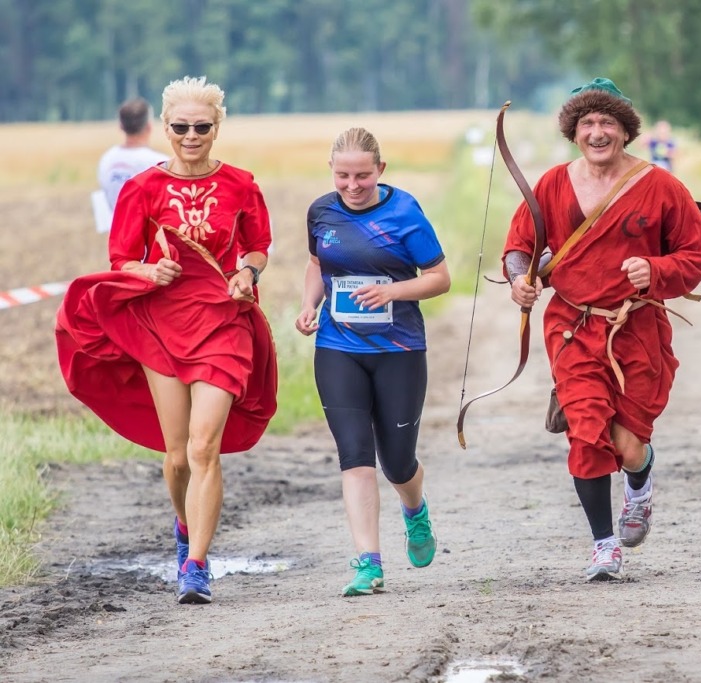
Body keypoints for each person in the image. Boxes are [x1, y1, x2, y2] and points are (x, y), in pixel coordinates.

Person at [56, 76, 277, 604]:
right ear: (167, 128)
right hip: (162, 325)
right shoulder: (142, 188)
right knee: (178, 456)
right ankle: (183, 526)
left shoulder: (242, 184)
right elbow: (121, 259)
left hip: (224, 321)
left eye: (202, 126)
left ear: (217, 127)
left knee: (206, 446)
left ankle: (196, 566)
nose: (192, 135)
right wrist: (147, 271)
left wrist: (247, 272)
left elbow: (260, 245)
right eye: (181, 127)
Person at [503, 78, 701, 581]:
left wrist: (656, 272)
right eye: (588, 124)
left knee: (627, 445)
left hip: (637, 329)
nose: (598, 133)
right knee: (587, 431)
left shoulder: (661, 186)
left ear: (625, 131)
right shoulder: (552, 185)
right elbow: (518, 247)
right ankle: (603, 545)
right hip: (572, 329)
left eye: (608, 124)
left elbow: (696, 253)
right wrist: (519, 282)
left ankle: (640, 480)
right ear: (574, 132)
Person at [295, 127, 451, 597]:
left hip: (399, 351)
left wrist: (393, 291)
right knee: (355, 456)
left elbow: (441, 277)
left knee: (397, 463)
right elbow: (316, 263)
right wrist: (309, 305)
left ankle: (415, 510)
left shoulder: (405, 212)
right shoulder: (321, 211)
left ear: (380, 170)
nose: (353, 185)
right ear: (332, 172)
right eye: (343, 175)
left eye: (362, 175)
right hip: (338, 348)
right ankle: (369, 563)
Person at [94, 97, 169, 233]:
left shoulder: (107, 160)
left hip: (118, 239)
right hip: (152, 243)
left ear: (121, 126)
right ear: (149, 126)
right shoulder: (161, 163)